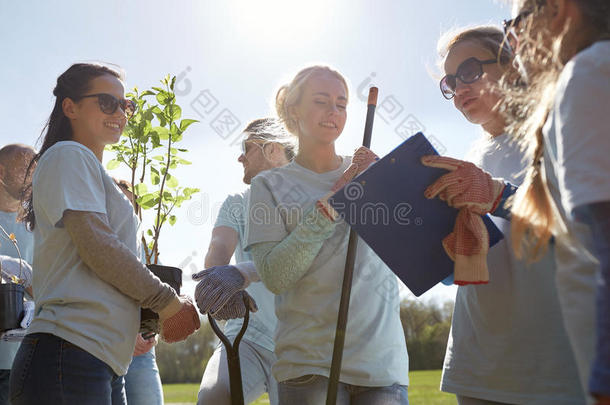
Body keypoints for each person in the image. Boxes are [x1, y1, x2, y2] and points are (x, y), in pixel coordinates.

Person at [422, 1, 610, 403]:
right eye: (450, 82)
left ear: (510, 62)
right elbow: (469, 268)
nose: (459, 89)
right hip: (476, 364)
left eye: (470, 71)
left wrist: (498, 195)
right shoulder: (469, 160)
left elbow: (584, 236)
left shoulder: (559, 124)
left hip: (548, 366)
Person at [9, 63, 200, 405]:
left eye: (126, 105)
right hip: (68, 356)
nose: (121, 113)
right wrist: (166, 302)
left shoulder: (91, 170)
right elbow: (99, 246)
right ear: (71, 107)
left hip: (98, 360)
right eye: (107, 103)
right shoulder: (69, 155)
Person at [245, 65, 409, 404]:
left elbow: (411, 253)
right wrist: (331, 207)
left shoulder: (371, 172)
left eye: (342, 103)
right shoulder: (268, 186)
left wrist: (393, 190)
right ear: (294, 110)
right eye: (321, 101)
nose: (334, 112)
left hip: (382, 365)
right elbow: (275, 275)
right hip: (308, 366)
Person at [194, 117, 295, 405]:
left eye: (246, 147)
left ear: (272, 148)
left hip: (301, 341)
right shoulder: (237, 202)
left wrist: (243, 273)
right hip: (246, 335)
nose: (240, 156)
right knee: (213, 398)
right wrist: (218, 280)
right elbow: (218, 248)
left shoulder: (307, 199)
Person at [115, 179, 163, 405]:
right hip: (108, 347)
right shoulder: (97, 245)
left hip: (142, 353)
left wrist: (154, 332)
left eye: (131, 204)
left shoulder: (147, 250)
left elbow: (159, 294)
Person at [0, 144, 36, 405]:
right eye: (26, 168)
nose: (33, 176)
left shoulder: (40, 223)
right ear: (1, 172)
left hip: (27, 361)